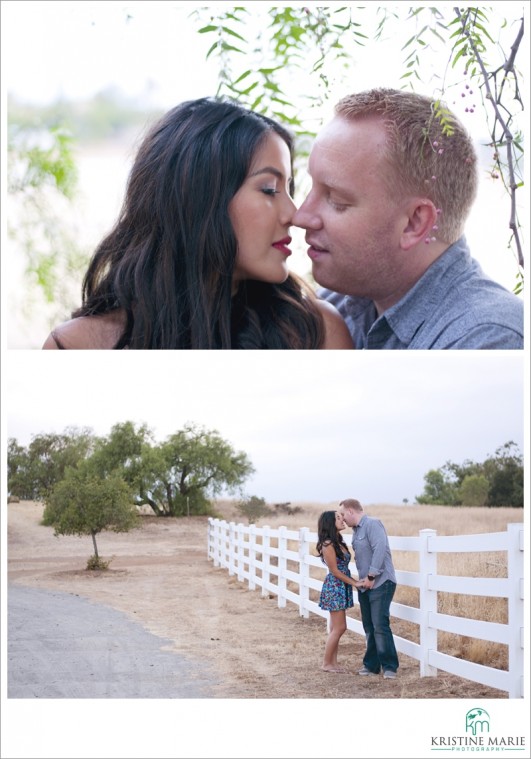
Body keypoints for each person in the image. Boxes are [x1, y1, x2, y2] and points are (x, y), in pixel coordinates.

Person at [42, 98, 353, 350]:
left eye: (289, 189)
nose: (294, 215)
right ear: (199, 198)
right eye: (270, 189)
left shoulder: (318, 333)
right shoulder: (76, 346)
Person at [293, 87, 524, 349]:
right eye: (311, 186)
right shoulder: (340, 306)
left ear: (414, 223)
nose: (301, 216)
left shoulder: (487, 340)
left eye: (337, 201)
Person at [338, 498, 399, 679]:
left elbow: (380, 549)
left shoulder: (373, 524)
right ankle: (372, 665)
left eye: (343, 514)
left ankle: (390, 667)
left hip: (381, 582)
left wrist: (372, 576)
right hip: (365, 585)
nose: (342, 519)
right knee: (369, 626)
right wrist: (364, 581)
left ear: (350, 511)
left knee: (380, 625)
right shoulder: (356, 532)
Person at [316, 510, 360, 673]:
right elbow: (334, 571)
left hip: (341, 586)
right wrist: (355, 583)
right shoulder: (327, 544)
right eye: (339, 518)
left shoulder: (337, 541)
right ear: (329, 522)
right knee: (340, 628)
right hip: (335, 587)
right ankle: (327, 663)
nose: (343, 520)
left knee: (336, 627)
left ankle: (333, 663)